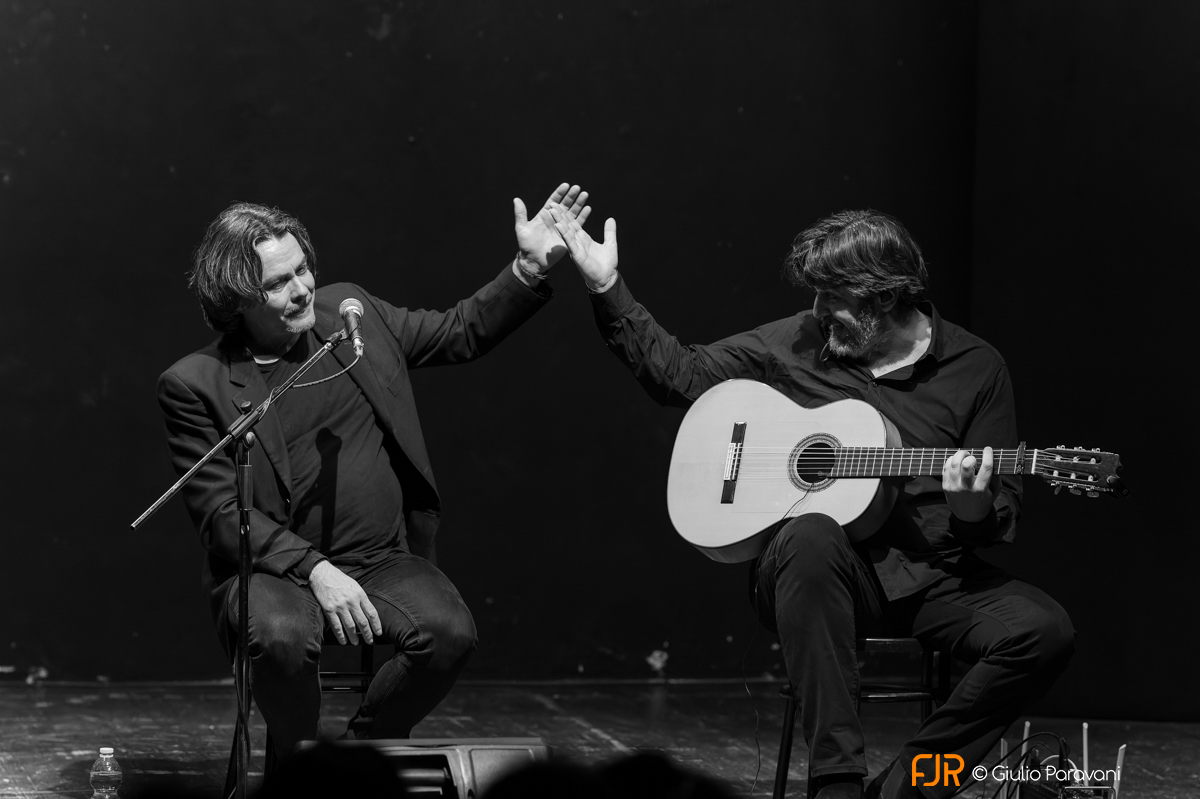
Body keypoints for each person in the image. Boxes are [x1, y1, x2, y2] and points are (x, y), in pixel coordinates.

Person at [547, 206, 1075, 799]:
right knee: (811, 531)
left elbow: (997, 515)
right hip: (819, 577)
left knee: (1043, 630)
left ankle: (909, 788)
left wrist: (971, 507)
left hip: (934, 573)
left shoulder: (975, 368)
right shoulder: (797, 340)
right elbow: (679, 374)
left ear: (884, 299)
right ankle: (837, 783)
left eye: (833, 298)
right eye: (816, 296)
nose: (818, 311)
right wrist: (604, 284)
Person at [158, 184, 590, 766]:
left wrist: (528, 268)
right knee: (280, 638)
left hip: (382, 558)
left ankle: (364, 754)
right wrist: (315, 570)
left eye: (303, 269)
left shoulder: (352, 314)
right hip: (274, 573)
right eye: (278, 282)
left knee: (449, 632)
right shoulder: (196, 383)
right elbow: (220, 517)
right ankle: (297, 758)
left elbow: (460, 330)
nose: (302, 287)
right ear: (237, 299)